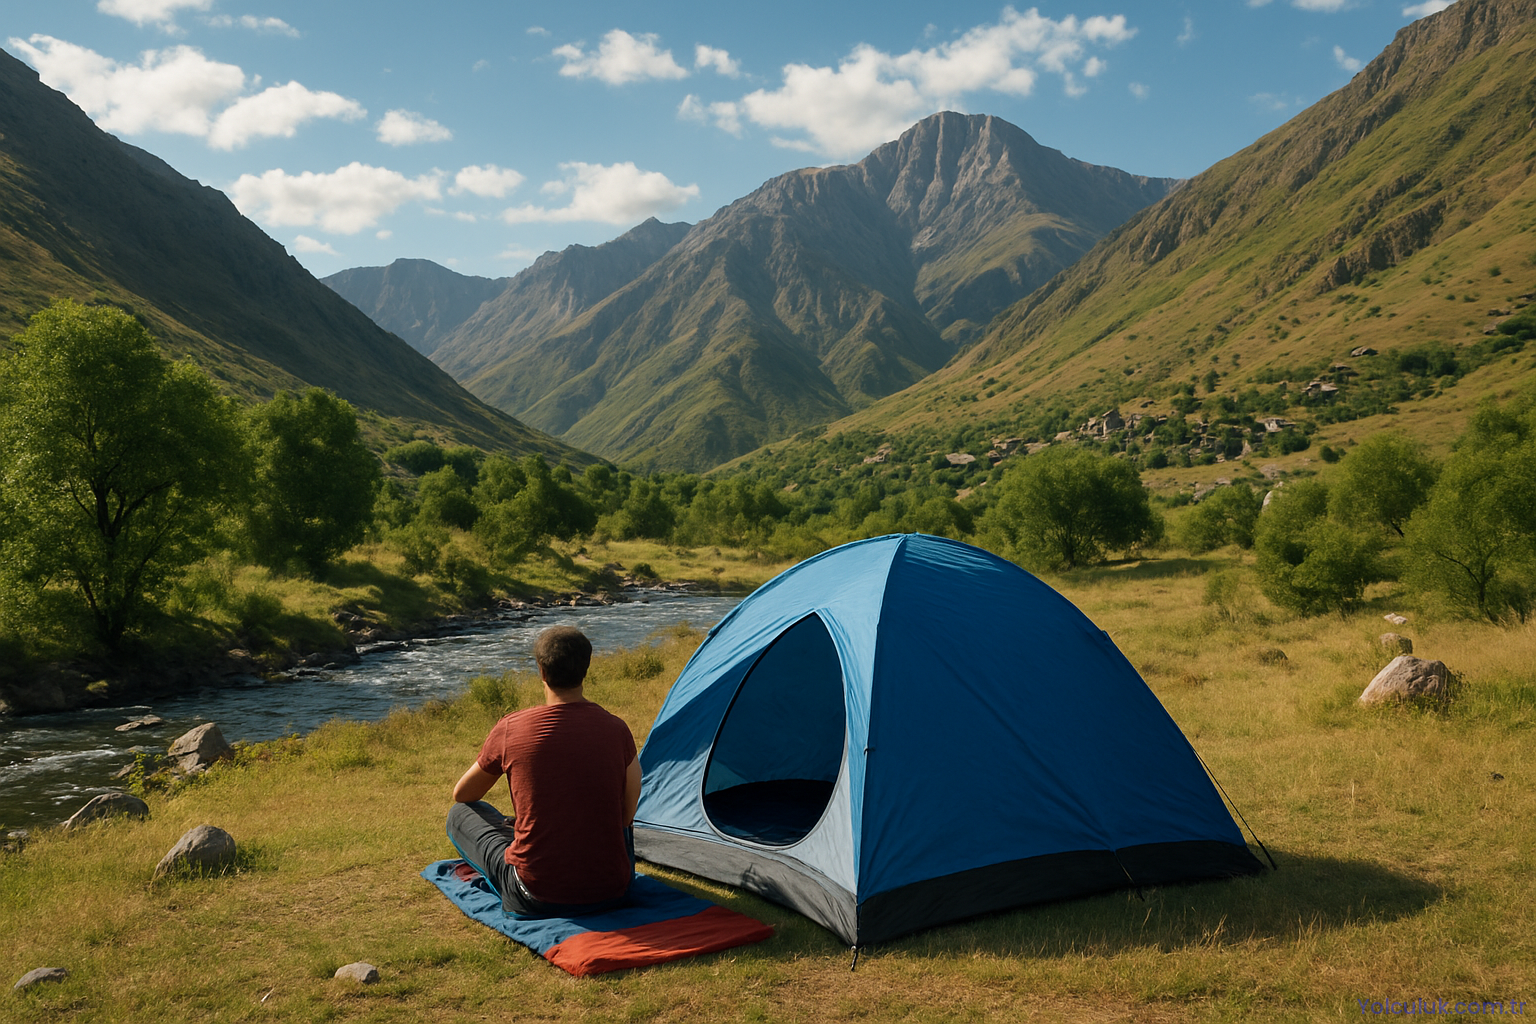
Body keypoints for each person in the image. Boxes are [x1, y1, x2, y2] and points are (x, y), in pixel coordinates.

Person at [446, 625, 642, 916]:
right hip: (613, 890)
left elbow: (464, 793)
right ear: (586, 669)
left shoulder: (512, 728)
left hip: (535, 894)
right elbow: (626, 816)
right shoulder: (617, 729)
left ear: (541, 671)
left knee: (460, 814)